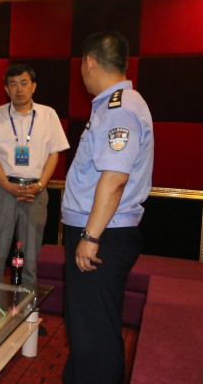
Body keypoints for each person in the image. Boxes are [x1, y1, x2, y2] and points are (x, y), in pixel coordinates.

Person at [61, 32, 153, 384]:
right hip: (101, 230)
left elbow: (114, 180)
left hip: (102, 233)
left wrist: (90, 237)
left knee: (94, 333)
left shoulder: (119, 108)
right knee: (87, 327)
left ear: (89, 63)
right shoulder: (115, 104)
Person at [0, 64, 69, 287]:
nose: (19, 89)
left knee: (30, 259)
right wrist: (7, 186)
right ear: (6, 89)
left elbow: (54, 155)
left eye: (24, 83)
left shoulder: (48, 115)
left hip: (35, 192)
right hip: (3, 190)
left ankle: (27, 307)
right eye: (13, 84)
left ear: (33, 86)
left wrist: (41, 184)